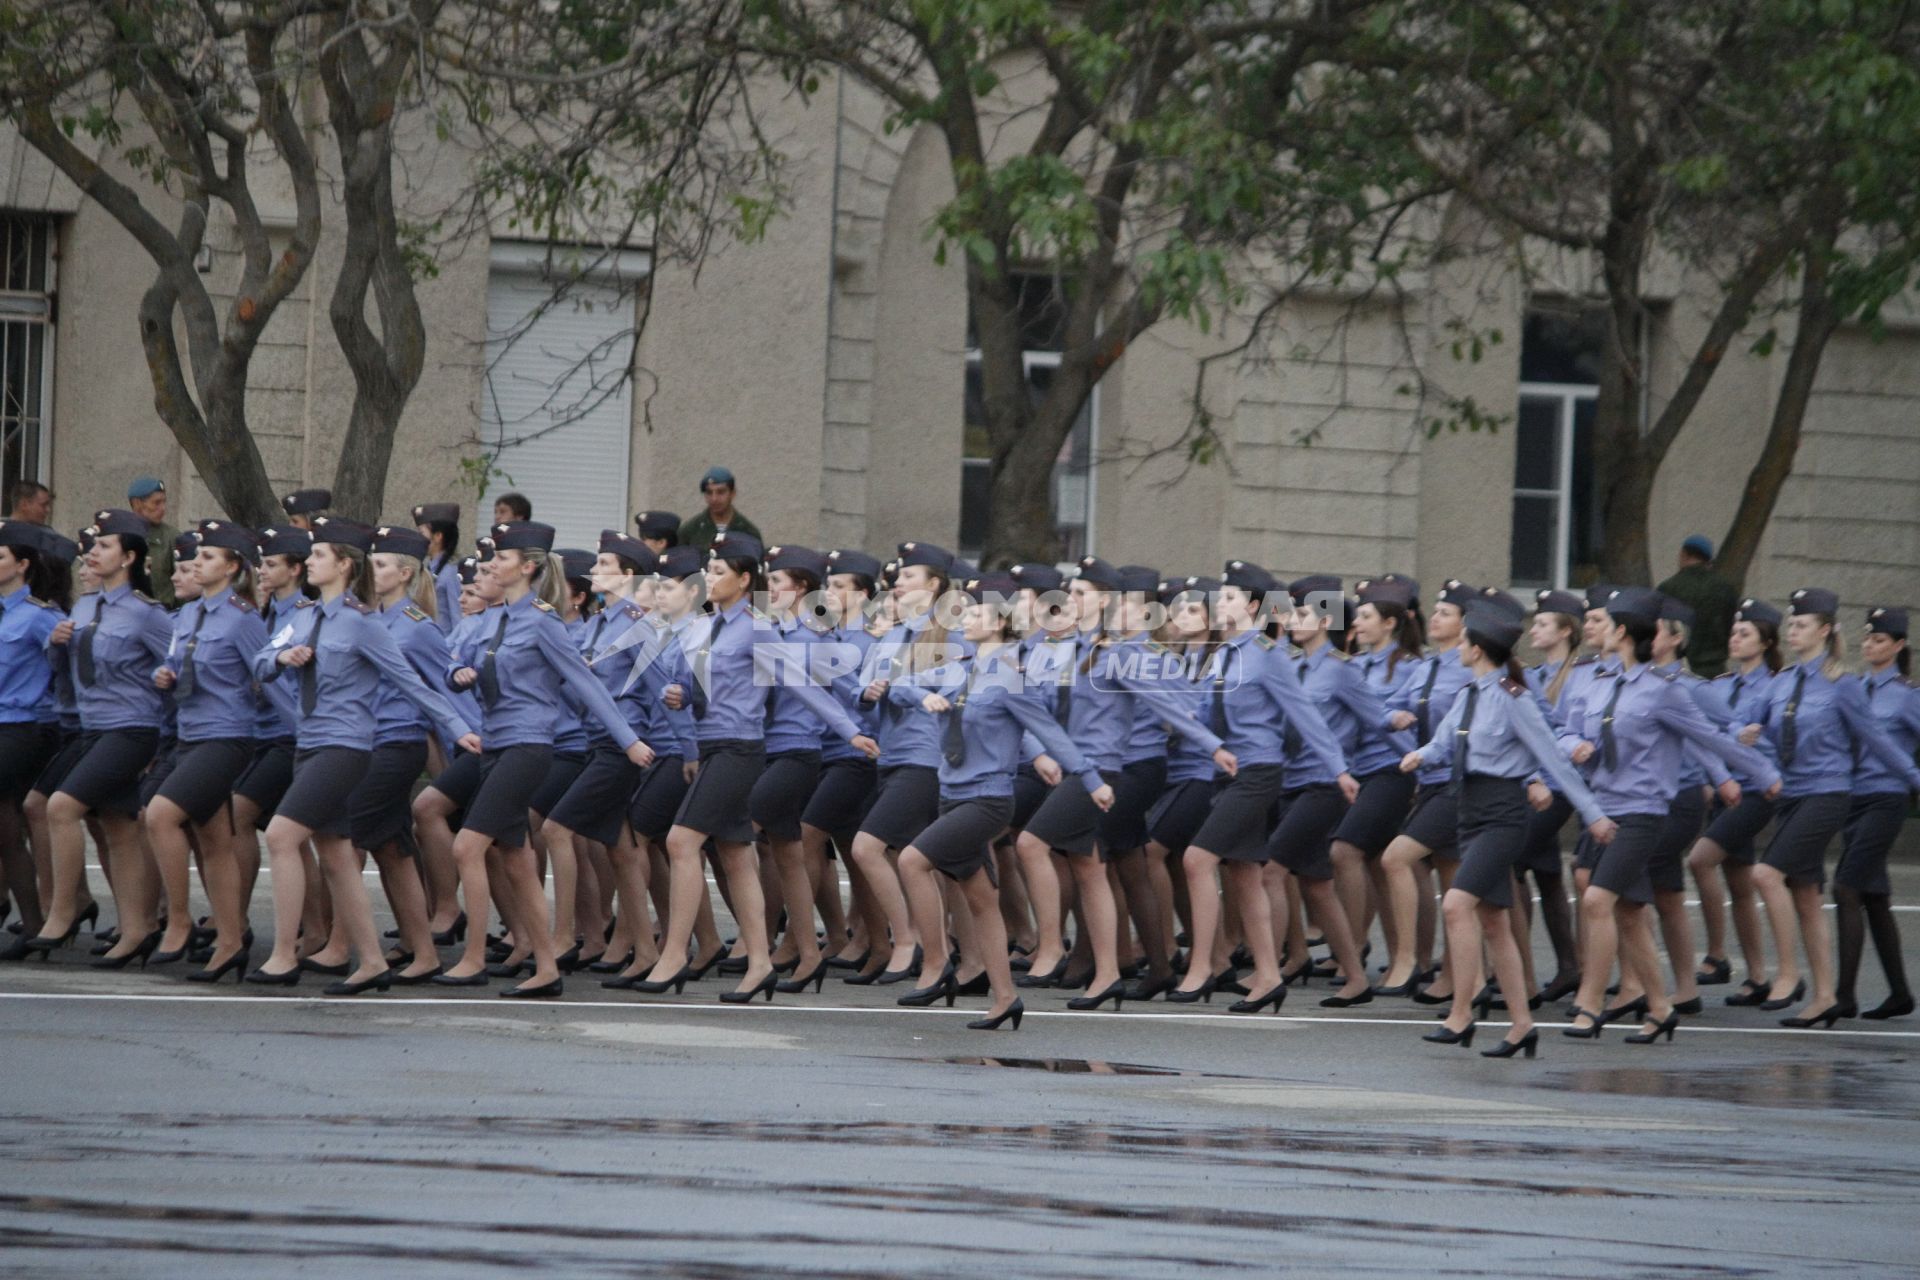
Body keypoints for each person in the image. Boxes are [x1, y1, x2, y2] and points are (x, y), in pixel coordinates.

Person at [637, 531, 877, 1001]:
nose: (710, 577)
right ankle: (762, 962)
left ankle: (674, 954)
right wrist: (681, 694)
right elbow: (691, 683)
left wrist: (850, 731)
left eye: (719, 571)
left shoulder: (756, 627)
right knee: (735, 854)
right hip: (713, 746)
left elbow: (804, 683)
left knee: (680, 841)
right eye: (708, 570)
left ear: (745, 580)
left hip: (741, 750)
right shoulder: (707, 625)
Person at [245, 518, 478, 993]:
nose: (308, 562)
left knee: (282, 836)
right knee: (333, 851)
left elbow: (415, 683)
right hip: (309, 744)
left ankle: (284, 954)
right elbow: (260, 659)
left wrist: (459, 728)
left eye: (318, 556)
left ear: (343, 565)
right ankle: (372, 961)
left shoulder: (361, 622)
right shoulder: (304, 617)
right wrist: (281, 659)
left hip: (347, 746)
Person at [891, 573, 1115, 1028]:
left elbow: (1049, 733)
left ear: (999, 622)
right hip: (952, 795)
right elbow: (898, 684)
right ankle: (1005, 997)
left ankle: (935, 964)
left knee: (913, 862)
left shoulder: (1013, 677)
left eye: (976, 612)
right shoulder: (960, 667)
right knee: (981, 902)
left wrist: (1090, 779)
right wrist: (927, 695)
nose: (966, 618)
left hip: (988, 799)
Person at [1558, 587, 1778, 1044]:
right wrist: (1573, 746)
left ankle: (1589, 1003)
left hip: (1643, 813)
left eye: (1606, 623)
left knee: (1599, 901)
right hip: (1604, 808)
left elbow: (1711, 737)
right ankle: (1660, 1008)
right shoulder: (1598, 683)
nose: (1596, 629)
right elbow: (1563, 730)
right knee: (1632, 913)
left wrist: (1761, 770)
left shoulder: (1664, 692)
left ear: (1622, 632)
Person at [1400, 601, 1614, 1057]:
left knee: (1457, 905)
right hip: (1469, 810)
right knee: (1495, 923)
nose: (1456, 647)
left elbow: (1553, 755)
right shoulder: (1468, 694)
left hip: (1503, 814)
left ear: (1477, 650)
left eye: (1462, 642)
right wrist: (1420, 756)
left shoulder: (1513, 697)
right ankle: (1522, 1025)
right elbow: (1445, 743)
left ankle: (1461, 1015)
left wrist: (1592, 815)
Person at [1740, 588, 1920, 1027]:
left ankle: (1788, 974)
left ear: (1823, 630)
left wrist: (1915, 779)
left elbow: (1877, 741)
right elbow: (1749, 724)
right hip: (1793, 793)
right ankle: (1825, 996)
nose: (1792, 630)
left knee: (1766, 874)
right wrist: (1746, 735)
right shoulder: (1781, 682)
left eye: (1801, 624)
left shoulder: (1843, 686)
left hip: (1831, 792)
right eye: (1791, 624)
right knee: (1807, 895)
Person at [23, 509, 172, 963]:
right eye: (94, 546)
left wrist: (169, 718)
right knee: (118, 825)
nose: (93, 552)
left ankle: (64, 909)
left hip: (133, 726)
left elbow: (181, 665)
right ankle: (136, 928)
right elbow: (66, 675)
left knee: (61, 807)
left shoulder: (146, 613)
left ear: (128, 557)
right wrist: (58, 644)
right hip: (91, 726)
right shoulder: (86, 605)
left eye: (105, 546)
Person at [145, 521, 269, 980]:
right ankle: (231, 942)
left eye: (209, 556)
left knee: (160, 815)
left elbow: (269, 679)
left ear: (233, 566)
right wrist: (165, 677)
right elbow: (175, 664)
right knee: (215, 842)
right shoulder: (189, 614)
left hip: (227, 736)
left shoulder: (242, 618)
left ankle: (178, 918)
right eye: (197, 556)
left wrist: (303, 733)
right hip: (190, 733)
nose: (198, 563)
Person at [1837, 607, 1918, 1020]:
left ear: (1899, 646)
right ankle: (1900, 993)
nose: (1870, 645)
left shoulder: (1906, 696)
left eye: (1880, 640)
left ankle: (1843, 996)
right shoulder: (1854, 688)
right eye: (1868, 639)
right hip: (1855, 799)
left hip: (1887, 798)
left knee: (1846, 888)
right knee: (1874, 897)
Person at [0, 521, 66, 951]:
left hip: (20, 727)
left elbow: (69, 667)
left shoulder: (41, 616)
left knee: (6, 822)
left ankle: (34, 920)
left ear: (22, 565)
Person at [1657, 534, 1740, 677]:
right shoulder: (1727, 589)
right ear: (1708, 560)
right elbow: (1731, 626)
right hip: (1716, 670)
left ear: (1684, 554)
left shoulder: (1668, 588)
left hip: (1679, 670)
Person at [675, 467, 762, 553]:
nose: (714, 499)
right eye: (709, 492)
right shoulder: (690, 531)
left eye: (721, 492)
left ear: (732, 493)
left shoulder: (747, 531)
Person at [128, 477, 178, 608]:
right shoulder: (121, 536)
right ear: (137, 503)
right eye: (156, 503)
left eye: (164, 502)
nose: (163, 508)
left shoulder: (171, 537)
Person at [412, 502, 463, 632]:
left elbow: (458, 619)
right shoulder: (429, 567)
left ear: (438, 536)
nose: (418, 538)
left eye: (422, 532)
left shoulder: (451, 572)